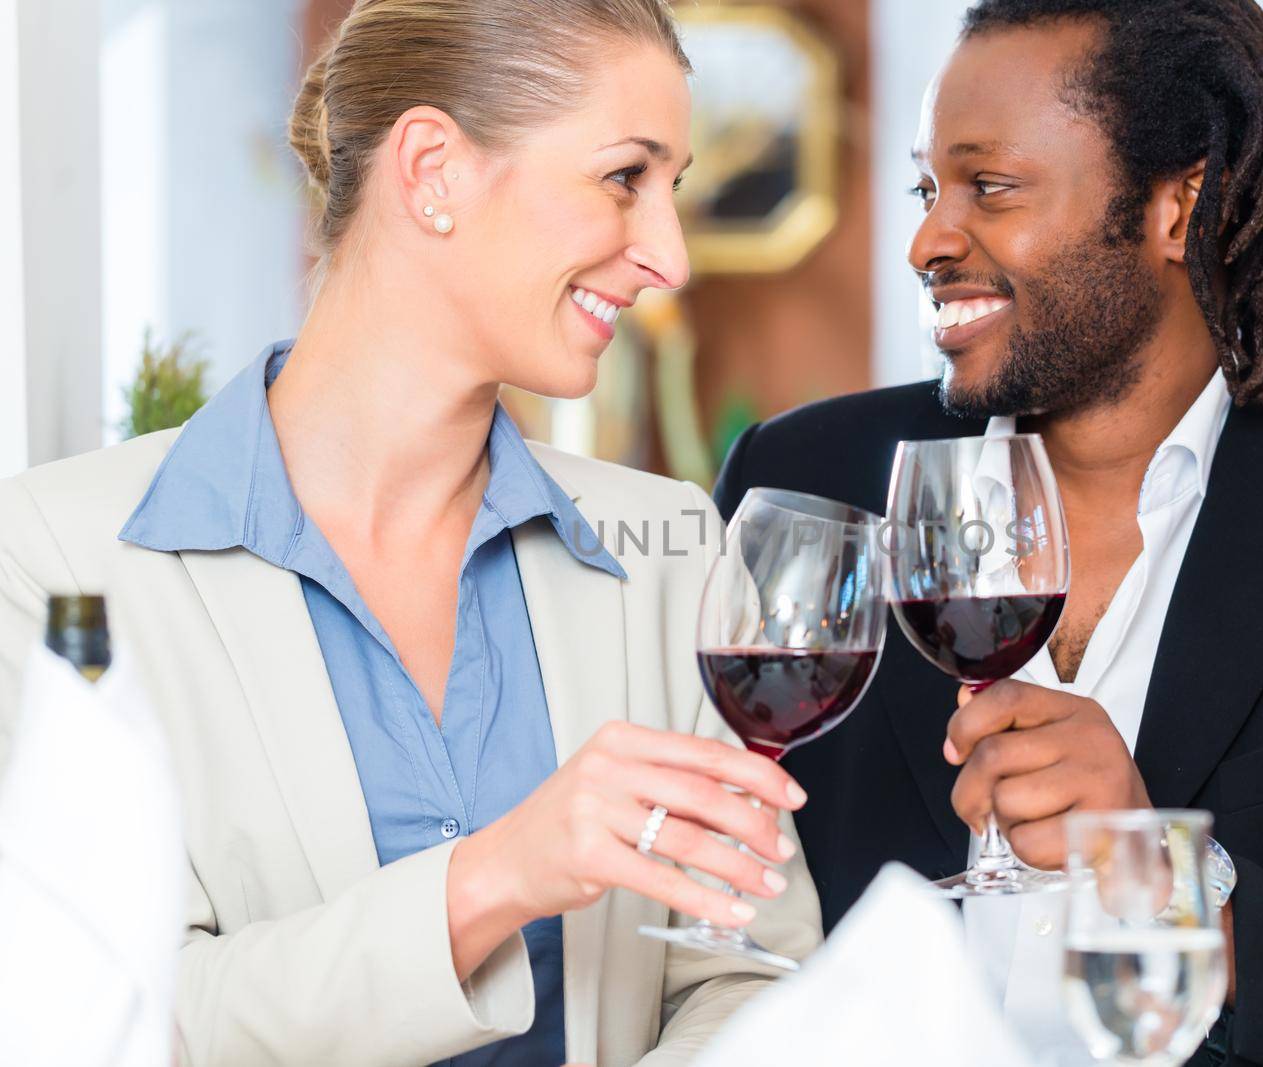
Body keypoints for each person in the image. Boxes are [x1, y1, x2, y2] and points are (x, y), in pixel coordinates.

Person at [713, 1, 1263, 1064]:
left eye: (989, 186)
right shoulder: (804, 479)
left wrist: (1170, 878)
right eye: (926, 189)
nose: (927, 241)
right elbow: (716, 923)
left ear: (1179, 208)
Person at [0, 2, 820, 1064]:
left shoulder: (670, 547)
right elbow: (89, 1015)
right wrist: (493, 877)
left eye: (672, 188)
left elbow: (751, 969)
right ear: (432, 168)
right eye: (625, 177)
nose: (668, 253)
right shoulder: (53, 560)